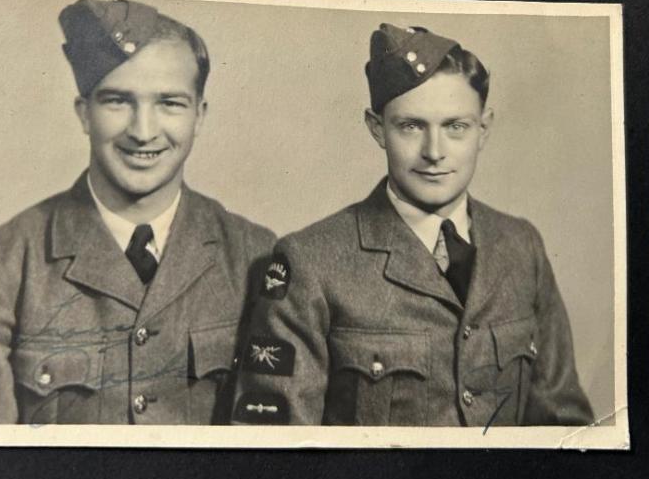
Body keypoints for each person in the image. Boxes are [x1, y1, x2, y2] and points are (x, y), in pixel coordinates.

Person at [233, 23, 593, 427]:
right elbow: (277, 446)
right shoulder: (310, 262)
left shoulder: (521, 246)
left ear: (483, 129)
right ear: (377, 129)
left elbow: (565, 427)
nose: (434, 152)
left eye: (455, 127)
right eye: (411, 126)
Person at [0, 0, 274, 424]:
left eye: (170, 103)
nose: (143, 131)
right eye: (117, 101)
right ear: (84, 114)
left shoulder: (254, 257)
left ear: (199, 116)